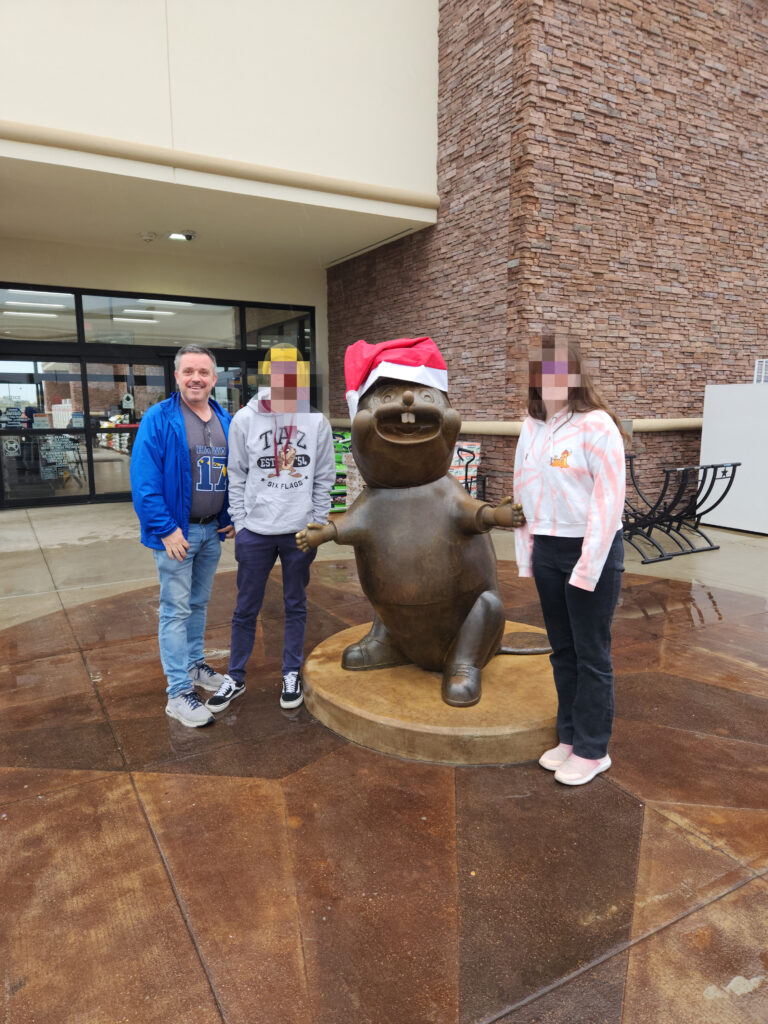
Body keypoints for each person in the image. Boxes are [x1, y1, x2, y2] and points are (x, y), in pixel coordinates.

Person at [514, 338, 627, 785]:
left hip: (590, 550)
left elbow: (608, 501)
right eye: (544, 370)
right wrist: (529, 554)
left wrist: (588, 564)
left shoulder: (597, 426)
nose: (552, 380)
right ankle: (569, 737)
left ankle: (593, 749)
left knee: (591, 653)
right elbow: (526, 489)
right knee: (562, 650)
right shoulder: (532, 426)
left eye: (562, 370)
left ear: (576, 376)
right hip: (548, 549)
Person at [205, 344, 335, 713]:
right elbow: (237, 476)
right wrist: (242, 525)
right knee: (246, 607)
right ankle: (235, 676)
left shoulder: (316, 421)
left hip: (300, 532)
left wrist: (319, 524)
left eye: (292, 373)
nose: (286, 380)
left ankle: (291, 670)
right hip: (256, 533)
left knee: (296, 604)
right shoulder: (245, 420)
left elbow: (324, 477)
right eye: (279, 373)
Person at [131, 344, 234, 728]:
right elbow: (144, 483)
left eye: (203, 372)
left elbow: (232, 474)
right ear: (176, 376)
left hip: (212, 531)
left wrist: (231, 515)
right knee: (175, 610)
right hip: (178, 533)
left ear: (214, 378)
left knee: (199, 604)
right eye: (188, 371)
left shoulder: (225, 417)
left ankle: (193, 666)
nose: (196, 378)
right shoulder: (159, 418)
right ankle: (178, 693)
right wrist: (166, 529)